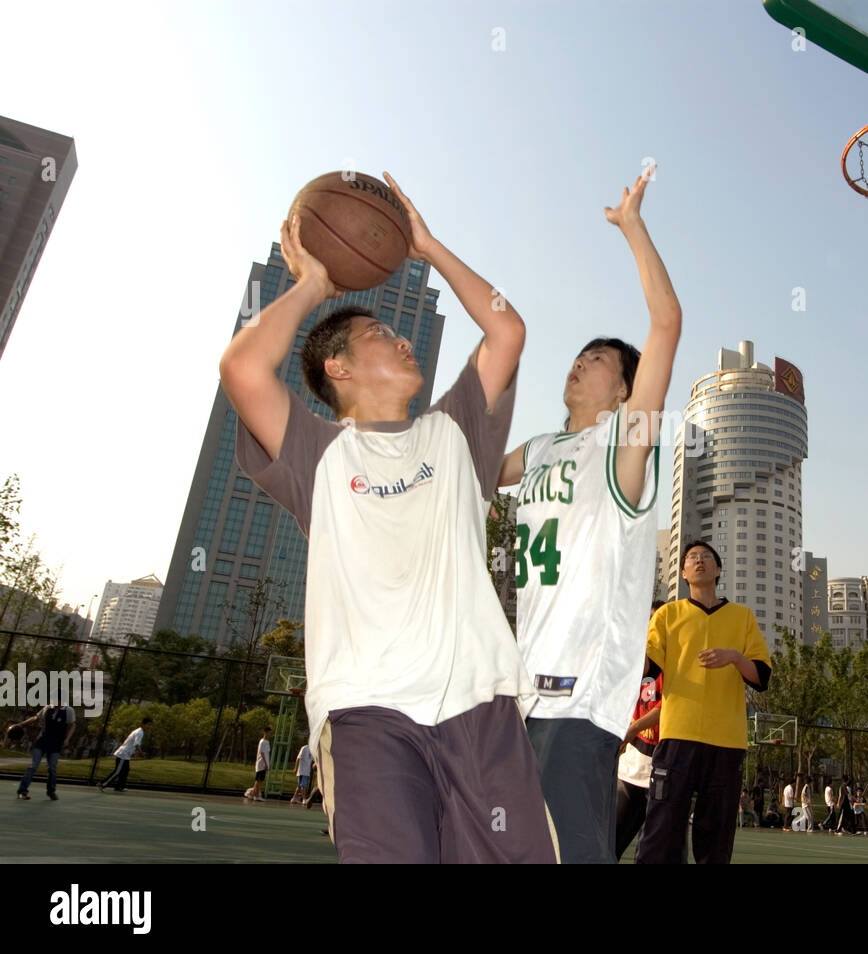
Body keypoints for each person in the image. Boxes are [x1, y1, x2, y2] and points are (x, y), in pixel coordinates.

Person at [221, 175, 553, 863]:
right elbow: (245, 368)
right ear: (337, 367)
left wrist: (427, 246)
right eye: (380, 333)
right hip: (367, 712)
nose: (403, 341)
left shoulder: (456, 432)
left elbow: (506, 328)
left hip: (480, 706)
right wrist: (315, 282)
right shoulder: (316, 453)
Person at [499, 167, 682, 864]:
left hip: (581, 692)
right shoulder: (542, 447)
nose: (580, 362)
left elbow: (666, 324)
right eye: (578, 354)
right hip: (521, 687)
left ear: (626, 389)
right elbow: (477, 469)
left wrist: (632, 227)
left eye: (598, 358)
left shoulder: (623, 443)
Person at [635, 541, 772, 864]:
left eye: (706, 557)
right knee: (661, 832)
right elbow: (647, 670)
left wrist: (735, 657)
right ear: (683, 573)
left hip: (726, 741)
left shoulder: (742, 617)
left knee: (716, 839)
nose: (699, 561)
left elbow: (761, 677)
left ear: (718, 570)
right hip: (677, 736)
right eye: (692, 558)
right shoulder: (668, 614)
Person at [614, 602, 668, 860]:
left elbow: (666, 707)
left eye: (658, 620)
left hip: (663, 766)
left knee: (654, 852)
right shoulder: (634, 661)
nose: (652, 626)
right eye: (649, 620)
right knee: (610, 842)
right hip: (631, 766)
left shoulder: (673, 661)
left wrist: (633, 728)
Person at [15, 691, 75, 801]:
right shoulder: (47, 708)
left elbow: (72, 726)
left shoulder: (69, 711)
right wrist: (21, 724)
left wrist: (67, 739)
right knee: (33, 766)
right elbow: (35, 718)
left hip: (56, 743)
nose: (53, 702)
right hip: (42, 741)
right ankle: (22, 791)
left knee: (52, 768)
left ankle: (51, 791)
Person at [99, 717, 151, 792]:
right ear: (143, 724)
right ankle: (102, 784)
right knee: (118, 771)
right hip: (123, 754)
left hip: (126, 755)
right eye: (148, 725)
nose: (149, 727)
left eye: (150, 725)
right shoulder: (140, 732)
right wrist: (141, 753)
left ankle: (119, 787)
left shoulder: (138, 731)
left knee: (125, 770)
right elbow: (136, 744)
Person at [245, 726, 272, 802]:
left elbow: (267, 754)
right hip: (261, 764)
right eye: (269, 733)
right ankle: (256, 795)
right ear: (265, 732)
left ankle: (252, 794)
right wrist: (265, 764)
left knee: (259, 780)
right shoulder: (262, 742)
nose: (270, 734)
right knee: (258, 780)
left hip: (264, 764)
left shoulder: (267, 742)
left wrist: (268, 763)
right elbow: (262, 753)